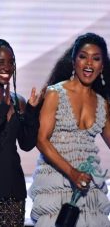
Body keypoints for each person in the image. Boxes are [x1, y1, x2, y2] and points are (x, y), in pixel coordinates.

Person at [28, 32, 110, 226]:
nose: (89, 63)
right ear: (74, 61)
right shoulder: (55, 93)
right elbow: (41, 140)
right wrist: (72, 173)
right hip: (57, 181)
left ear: (102, 65)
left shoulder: (102, 103)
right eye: (83, 57)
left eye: (96, 58)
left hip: (88, 186)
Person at [0, 38, 44, 226]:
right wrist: (1, 111)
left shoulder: (17, 101)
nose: (7, 67)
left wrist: (31, 111)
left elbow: (27, 144)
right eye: (0, 62)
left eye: (11, 62)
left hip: (13, 188)